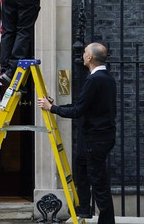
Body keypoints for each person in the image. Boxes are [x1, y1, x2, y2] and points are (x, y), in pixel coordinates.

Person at [37, 42, 116, 223]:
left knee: (98, 180)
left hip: (95, 138)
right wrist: (55, 106)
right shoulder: (107, 78)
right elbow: (82, 107)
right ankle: (84, 210)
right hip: (100, 136)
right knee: (81, 168)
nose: (82, 54)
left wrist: (52, 109)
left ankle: (106, 220)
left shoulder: (94, 80)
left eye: (84, 52)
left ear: (89, 57)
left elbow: (77, 112)